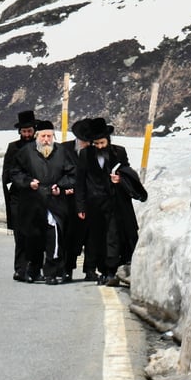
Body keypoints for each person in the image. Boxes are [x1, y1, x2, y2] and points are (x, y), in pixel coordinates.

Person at [75, 117, 142, 286]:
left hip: (115, 203)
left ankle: (112, 270)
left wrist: (120, 179)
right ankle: (103, 270)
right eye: (96, 144)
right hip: (94, 205)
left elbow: (127, 172)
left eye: (102, 143)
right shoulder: (84, 154)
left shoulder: (119, 152)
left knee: (113, 236)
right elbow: (80, 182)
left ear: (108, 140)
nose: (99, 146)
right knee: (98, 238)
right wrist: (81, 206)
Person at [10, 118, 76, 284]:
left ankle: (51, 272)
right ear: (37, 136)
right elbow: (15, 173)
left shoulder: (61, 151)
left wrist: (59, 186)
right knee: (34, 238)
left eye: (49, 136)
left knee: (53, 237)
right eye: (43, 136)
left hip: (54, 201)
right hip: (33, 201)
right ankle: (33, 270)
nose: (46, 140)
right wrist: (28, 182)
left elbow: (72, 174)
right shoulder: (26, 152)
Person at [3, 110, 37, 281]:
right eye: (24, 131)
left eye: (29, 131)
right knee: (20, 234)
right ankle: (20, 268)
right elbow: (7, 173)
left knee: (35, 234)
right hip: (18, 197)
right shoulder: (13, 147)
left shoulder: (40, 145)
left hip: (36, 196)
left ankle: (33, 267)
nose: (26, 134)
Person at [58, 119, 92, 282]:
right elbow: (57, 173)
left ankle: (90, 269)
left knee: (90, 236)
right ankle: (67, 268)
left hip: (89, 199)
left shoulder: (94, 152)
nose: (86, 143)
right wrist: (66, 187)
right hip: (69, 201)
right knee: (70, 236)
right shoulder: (64, 149)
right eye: (84, 140)